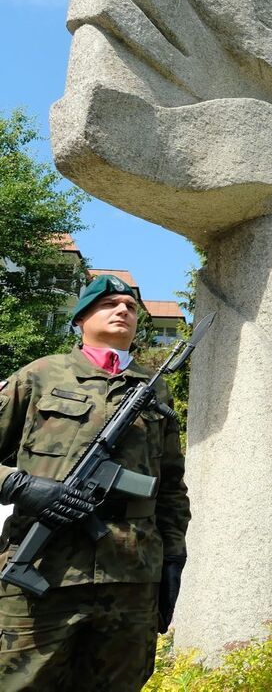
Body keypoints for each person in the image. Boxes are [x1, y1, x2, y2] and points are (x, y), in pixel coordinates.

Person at [0, 274, 191, 691]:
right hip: (43, 570)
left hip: (132, 577)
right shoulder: (39, 376)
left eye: (130, 307)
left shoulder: (155, 390)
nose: (123, 310)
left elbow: (171, 486)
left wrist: (174, 556)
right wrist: (19, 486)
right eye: (109, 304)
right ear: (80, 318)